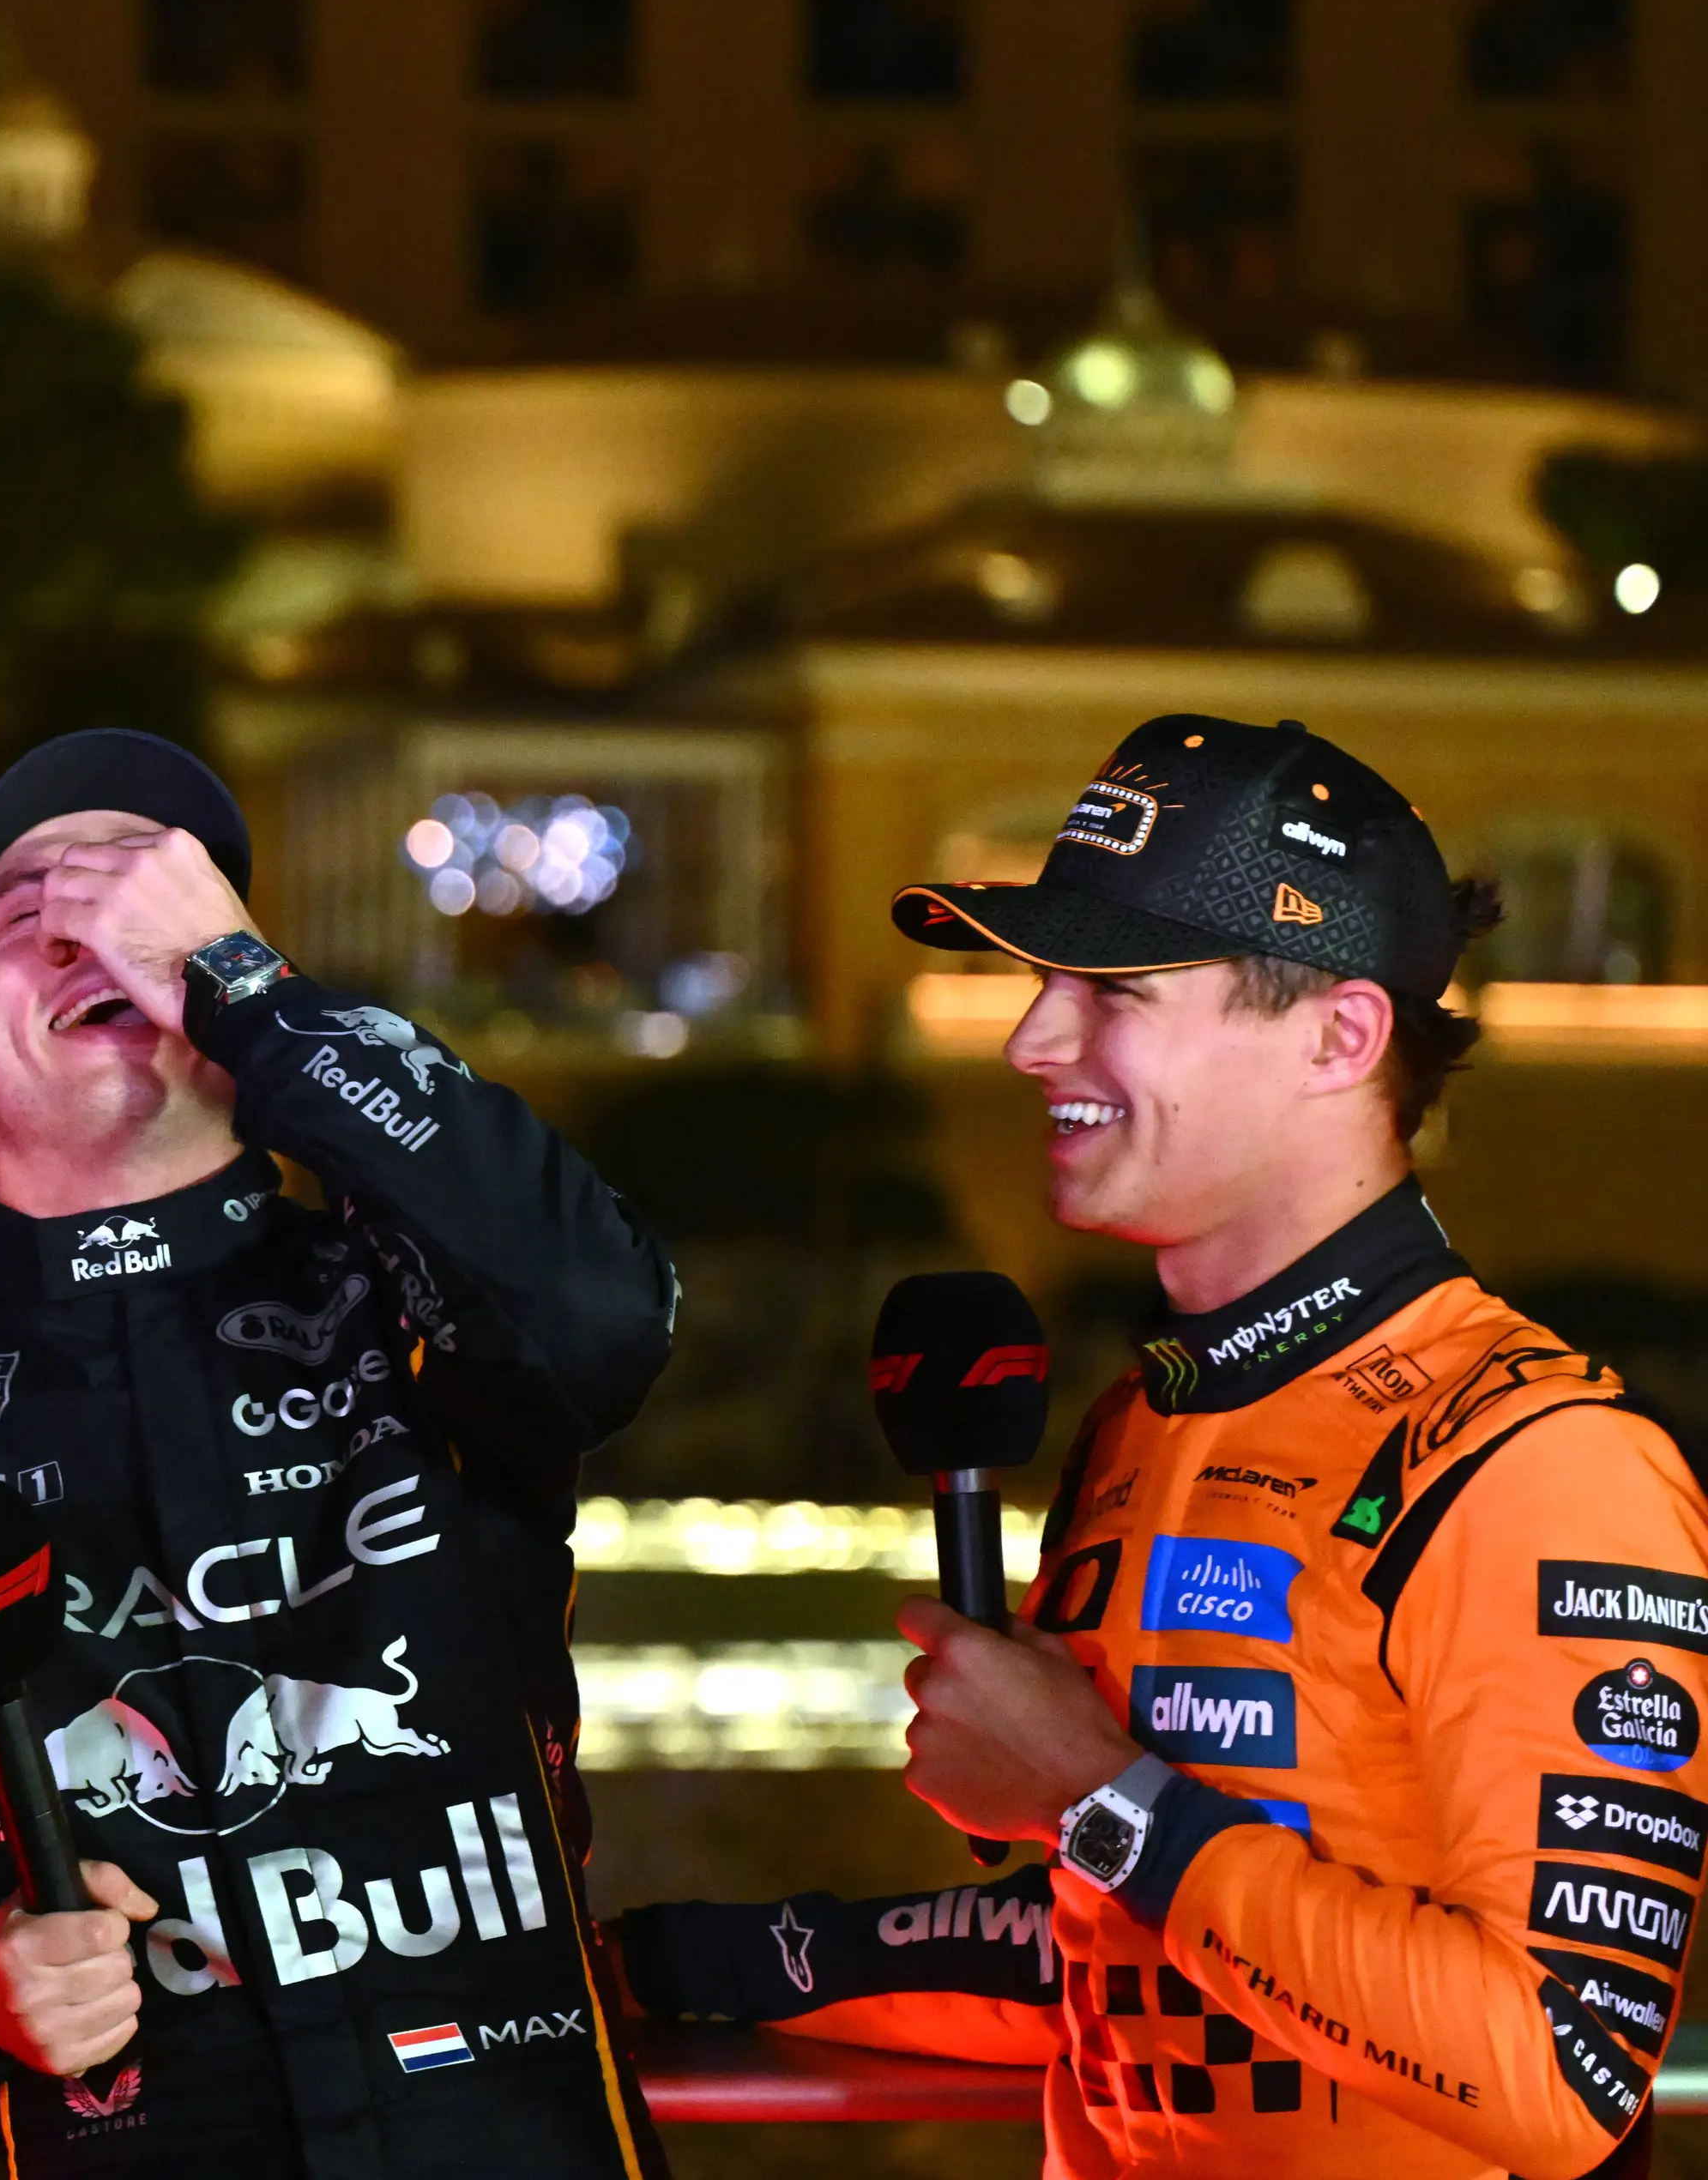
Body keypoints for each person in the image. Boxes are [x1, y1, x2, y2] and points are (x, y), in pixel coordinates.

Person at [619, 714, 1705, 2178]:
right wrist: (626, 1967)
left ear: (1341, 1035)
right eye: (1039, 981)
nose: (1028, 1039)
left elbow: (1559, 2076)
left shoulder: (1539, 1461)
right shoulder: (1144, 1421)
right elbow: (1137, 1963)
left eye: (1112, 987)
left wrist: (1091, 1790)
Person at [0, 729, 682, 2178]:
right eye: (31, 919)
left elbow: (607, 1317)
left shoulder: (415, 1281)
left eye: (152, 918)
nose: (95, 943)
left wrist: (255, 996)